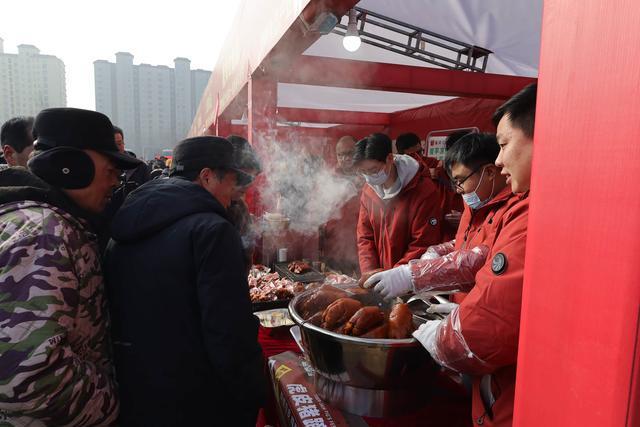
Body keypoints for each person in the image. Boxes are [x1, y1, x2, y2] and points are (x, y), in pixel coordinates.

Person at [104, 136, 267, 426]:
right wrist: (253, 391)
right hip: (196, 398)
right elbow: (228, 332)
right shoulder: (212, 230)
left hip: (137, 389)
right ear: (207, 176)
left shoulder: (129, 216)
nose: (233, 195)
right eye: (232, 182)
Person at [0, 107, 141, 426]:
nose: (116, 181)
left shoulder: (45, 222)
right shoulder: (44, 234)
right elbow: (25, 376)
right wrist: (110, 405)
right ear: (72, 167)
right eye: (110, 169)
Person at [412, 83, 536, 427]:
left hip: (500, 369)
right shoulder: (477, 204)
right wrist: (431, 260)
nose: (499, 159)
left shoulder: (523, 211)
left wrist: (443, 338)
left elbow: (483, 270)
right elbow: (464, 249)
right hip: (475, 332)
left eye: (504, 145)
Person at [364, 133, 520, 307]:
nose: (458, 190)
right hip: (464, 303)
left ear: (489, 172)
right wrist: (437, 252)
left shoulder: (513, 209)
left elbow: (482, 258)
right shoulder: (477, 203)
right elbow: (464, 244)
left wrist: (412, 274)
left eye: (461, 180)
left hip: (483, 308)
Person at [354, 132, 444, 283]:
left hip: (410, 279)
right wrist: (370, 272)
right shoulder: (369, 190)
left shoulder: (423, 190)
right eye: (364, 172)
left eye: (373, 170)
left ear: (390, 158)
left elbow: (422, 243)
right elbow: (365, 236)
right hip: (381, 278)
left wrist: (395, 277)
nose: (369, 177)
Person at [322, 135, 362, 275]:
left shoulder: (368, 175)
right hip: (335, 244)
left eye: (349, 153)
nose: (344, 158)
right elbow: (320, 208)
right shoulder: (329, 178)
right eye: (340, 155)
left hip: (361, 244)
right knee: (338, 283)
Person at [226, 134, 261, 268]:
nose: (247, 186)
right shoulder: (206, 209)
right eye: (242, 178)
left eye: (251, 179)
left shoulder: (240, 208)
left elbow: (246, 254)